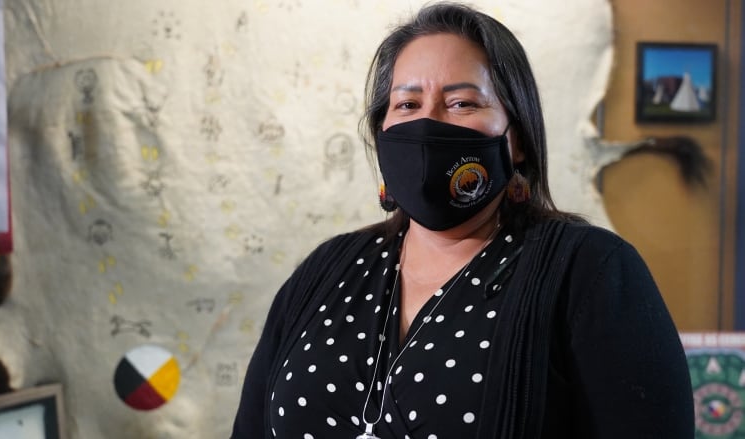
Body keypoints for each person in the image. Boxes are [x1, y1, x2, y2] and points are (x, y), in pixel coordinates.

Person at [232, 3, 694, 438]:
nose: (428, 124)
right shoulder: (326, 271)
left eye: (462, 104)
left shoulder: (591, 271)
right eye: (407, 105)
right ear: (382, 132)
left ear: (517, 139)